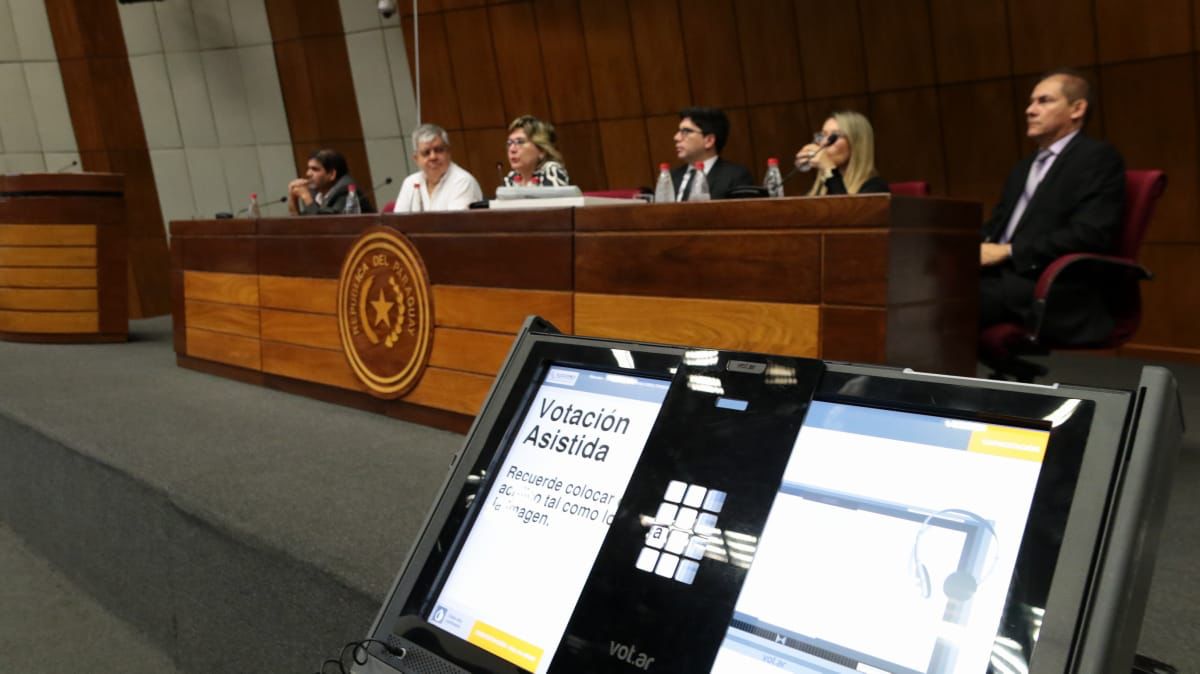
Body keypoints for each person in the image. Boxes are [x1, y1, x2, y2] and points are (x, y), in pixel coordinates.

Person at [980, 68, 1125, 345]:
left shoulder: (1097, 159)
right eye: (1031, 102)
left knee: (948, 303)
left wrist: (1008, 251)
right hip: (1003, 277)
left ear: (1077, 109)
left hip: (1055, 283)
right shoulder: (1023, 168)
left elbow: (1090, 233)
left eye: (1044, 101)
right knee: (925, 289)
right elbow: (996, 225)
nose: (1030, 110)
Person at [392, 123, 482, 212]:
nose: (433, 157)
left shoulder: (463, 182)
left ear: (448, 152)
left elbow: (456, 224)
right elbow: (396, 223)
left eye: (438, 150)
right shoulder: (410, 183)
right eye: (426, 152)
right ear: (416, 159)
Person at [796, 110, 889, 195]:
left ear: (855, 143)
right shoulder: (822, 188)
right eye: (823, 135)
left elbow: (845, 210)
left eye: (834, 137)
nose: (824, 142)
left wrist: (829, 169)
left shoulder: (876, 188)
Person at [670, 106, 753, 200]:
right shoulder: (671, 177)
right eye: (679, 131)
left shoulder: (735, 177)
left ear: (709, 140)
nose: (676, 137)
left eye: (686, 132)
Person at [287, 148, 373, 215]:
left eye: (315, 169)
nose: (308, 173)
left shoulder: (345, 190)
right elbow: (301, 226)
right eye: (308, 169)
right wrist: (293, 198)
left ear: (332, 174)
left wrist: (306, 197)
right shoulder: (315, 192)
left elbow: (327, 224)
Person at [503, 115, 570, 187]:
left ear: (541, 150)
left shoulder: (551, 171)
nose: (512, 149)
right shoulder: (511, 177)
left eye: (520, 142)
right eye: (509, 143)